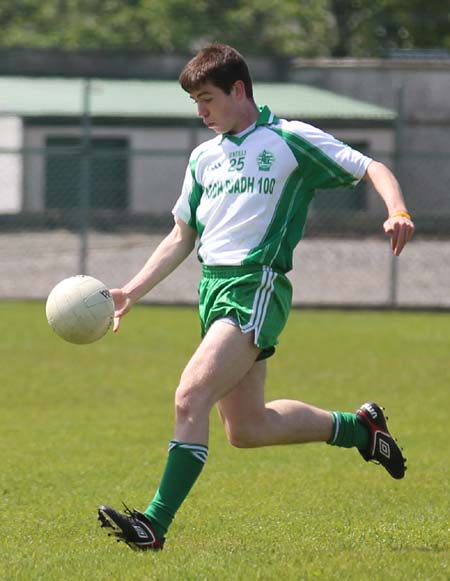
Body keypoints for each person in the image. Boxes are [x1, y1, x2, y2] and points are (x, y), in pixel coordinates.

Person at [97, 44, 415, 551]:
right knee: (247, 428)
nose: (200, 111)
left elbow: (371, 166)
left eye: (207, 98)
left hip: (256, 286)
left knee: (189, 395)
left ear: (238, 90)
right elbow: (182, 236)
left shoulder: (288, 139)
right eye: (195, 102)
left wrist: (396, 209)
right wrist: (130, 291)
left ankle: (153, 524)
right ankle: (361, 430)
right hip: (213, 289)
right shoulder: (204, 156)